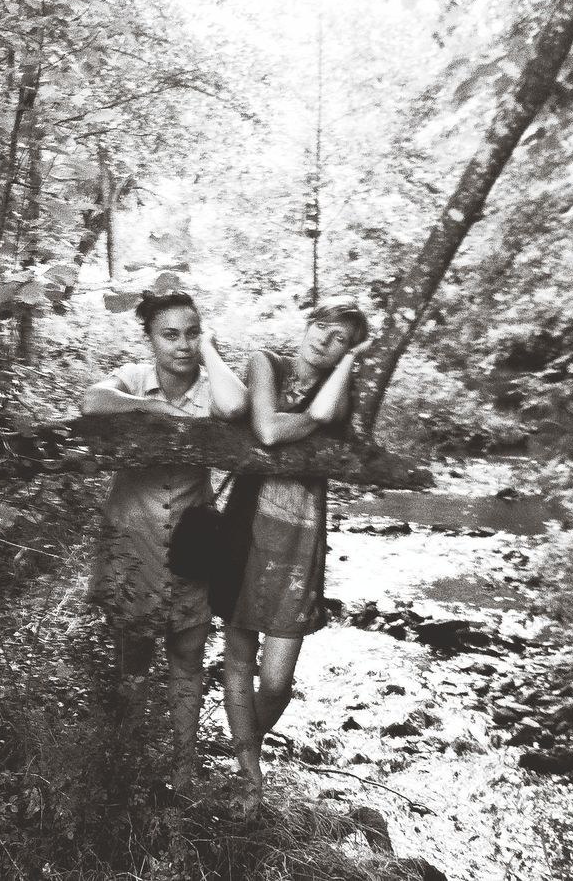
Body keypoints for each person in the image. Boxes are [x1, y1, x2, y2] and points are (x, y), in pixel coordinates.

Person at [82, 290, 248, 794]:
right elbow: (92, 401)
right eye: (169, 334)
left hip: (192, 544)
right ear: (150, 339)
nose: (182, 344)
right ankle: (123, 750)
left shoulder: (211, 386)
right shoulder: (133, 378)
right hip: (132, 541)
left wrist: (212, 351)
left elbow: (236, 407)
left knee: (188, 657)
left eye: (191, 332)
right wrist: (153, 410)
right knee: (132, 652)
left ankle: (183, 765)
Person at [220, 295, 372, 810]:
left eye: (341, 342)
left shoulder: (341, 390)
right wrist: (307, 419)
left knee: (278, 682)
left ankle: (245, 750)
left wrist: (348, 368)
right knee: (238, 659)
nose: (326, 342)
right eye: (324, 328)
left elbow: (327, 413)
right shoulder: (267, 362)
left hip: (301, 541)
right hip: (245, 528)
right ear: (309, 323)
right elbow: (265, 430)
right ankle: (249, 777)